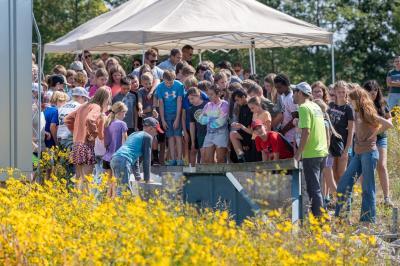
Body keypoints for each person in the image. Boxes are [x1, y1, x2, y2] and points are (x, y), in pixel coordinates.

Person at [335, 88, 393, 223]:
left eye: (351, 100)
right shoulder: (356, 113)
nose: (349, 102)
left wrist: (375, 134)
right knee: (344, 184)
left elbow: (388, 124)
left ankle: (368, 221)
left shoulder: (367, 113)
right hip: (358, 154)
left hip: (369, 154)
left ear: (358, 100)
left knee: (367, 188)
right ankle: (341, 220)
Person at [293, 82, 328, 218]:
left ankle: (319, 221)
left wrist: (298, 153)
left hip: (311, 153)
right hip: (321, 151)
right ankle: (323, 217)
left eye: (295, 92)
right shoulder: (315, 106)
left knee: (314, 189)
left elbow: (306, 132)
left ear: (300, 93)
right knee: (317, 188)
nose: (293, 95)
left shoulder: (304, 107)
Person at [64, 87, 110, 191]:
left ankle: (77, 201)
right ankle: (85, 203)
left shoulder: (83, 106)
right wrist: (93, 134)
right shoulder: (96, 107)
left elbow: (67, 119)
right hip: (86, 144)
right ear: (105, 98)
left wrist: (75, 131)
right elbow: (90, 119)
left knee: (78, 177)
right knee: (87, 178)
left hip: (76, 144)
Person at [110, 117, 164, 194]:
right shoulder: (147, 137)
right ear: (151, 128)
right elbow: (147, 160)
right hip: (123, 160)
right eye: (156, 131)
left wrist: (138, 178)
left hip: (115, 159)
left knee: (121, 188)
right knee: (124, 191)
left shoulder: (134, 134)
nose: (156, 134)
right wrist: (147, 179)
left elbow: (135, 160)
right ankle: (121, 205)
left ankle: (118, 205)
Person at [363, 80, 393, 207]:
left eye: (375, 90)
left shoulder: (382, 103)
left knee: (382, 165)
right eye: (370, 91)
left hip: (380, 138)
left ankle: (387, 198)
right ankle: (369, 197)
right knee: (368, 169)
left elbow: (389, 118)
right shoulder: (362, 105)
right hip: (366, 140)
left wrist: (378, 131)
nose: (373, 93)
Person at [328, 81, 354, 183]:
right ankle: (336, 197)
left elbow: (352, 130)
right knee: (333, 172)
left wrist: (347, 149)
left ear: (347, 92)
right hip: (331, 143)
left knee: (341, 173)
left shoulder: (348, 108)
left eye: (343, 92)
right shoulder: (330, 106)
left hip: (342, 144)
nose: (341, 94)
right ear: (335, 92)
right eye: (339, 92)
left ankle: (344, 197)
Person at [156, 70, 184, 166]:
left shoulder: (179, 85)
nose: (169, 85)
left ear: (174, 79)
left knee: (178, 136)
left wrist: (177, 118)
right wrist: (163, 119)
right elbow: (161, 103)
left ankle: (180, 159)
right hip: (166, 115)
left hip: (177, 114)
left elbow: (179, 101)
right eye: (167, 82)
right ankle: (173, 159)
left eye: (171, 82)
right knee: (170, 137)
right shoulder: (160, 87)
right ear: (163, 79)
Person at [198, 85, 229, 163]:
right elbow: (201, 119)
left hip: (221, 134)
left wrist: (208, 119)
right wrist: (213, 118)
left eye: (211, 94)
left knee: (220, 158)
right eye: (208, 94)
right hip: (209, 134)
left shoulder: (224, 104)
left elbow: (221, 121)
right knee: (207, 159)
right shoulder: (207, 105)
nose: (209, 96)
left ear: (218, 94)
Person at [103, 102, 128, 198]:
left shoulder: (108, 123)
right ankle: (113, 202)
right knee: (115, 182)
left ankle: (107, 201)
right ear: (121, 112)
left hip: (107, 156)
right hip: (117, 157)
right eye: (125, 113)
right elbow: (124, 141)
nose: (125, 115)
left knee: (109, 182)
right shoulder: (122, 124)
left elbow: (105, 142)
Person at [230, 89, 259, 163]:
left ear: (243, 97)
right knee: (233, 134)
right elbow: (242, 124)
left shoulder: (252, 106)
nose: (237, 102)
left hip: (254, 134)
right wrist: (244, 142)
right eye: (235, 101)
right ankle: (241, 159)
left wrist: (246, 143)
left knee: (234, 134)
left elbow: (251, 127)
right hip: (246, 134)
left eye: (237, 100)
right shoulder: (242, 107)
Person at [274, 73, 298, 146]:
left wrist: (283, 130)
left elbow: (296, 118)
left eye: (279, 87)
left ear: (287, 85)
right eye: (276, 87)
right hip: (286, 135)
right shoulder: (283, 96)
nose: (277, 90)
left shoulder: (291, 98)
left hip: (292, 136)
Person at [187, 87, 208, 164]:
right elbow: (192, 126)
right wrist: (192, 141)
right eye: (189, 99)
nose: (190, 101)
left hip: (210, 133)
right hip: (201, 134)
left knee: (210, 156)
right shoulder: (191, 109)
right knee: (203, 155)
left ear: (198, 95)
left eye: (192, 98)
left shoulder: (207, 104)